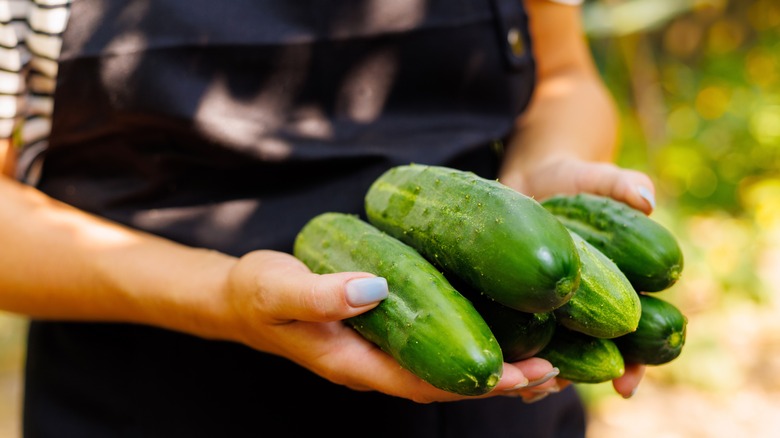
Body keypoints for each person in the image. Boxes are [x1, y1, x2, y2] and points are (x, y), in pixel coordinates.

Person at [0, 0, 653, 436]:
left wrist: (534, 181)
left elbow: (562, 77)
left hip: (496, 387)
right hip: (146, 402)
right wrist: (220, 295)